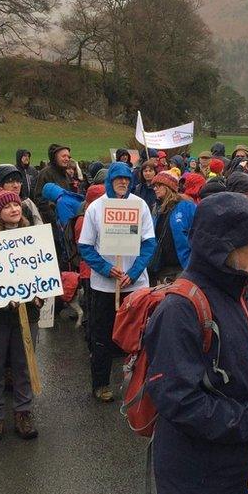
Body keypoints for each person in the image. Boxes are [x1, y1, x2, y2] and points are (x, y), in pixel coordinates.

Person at [144, 192, 248, 494]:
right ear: (221, 247)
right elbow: (179, 402)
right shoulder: (180, 310)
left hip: (237, 475)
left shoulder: (240, 289)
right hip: (202, 487)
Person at [77, 162, 156, 402]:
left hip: (135, 284)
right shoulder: (96, 209)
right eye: (117, 178)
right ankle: (101, 384)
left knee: (140, 335)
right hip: (105, 286)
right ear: (109, 181)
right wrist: (107, 269)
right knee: (102, 337)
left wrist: (134, 271)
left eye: (126, 179)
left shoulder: (139, 205)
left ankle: (141, 382)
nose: (122, 182)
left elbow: (149, 242)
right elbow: (86, 246)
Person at [0, 191, 41, 442]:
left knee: (23, 365)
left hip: (28, 312)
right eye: (8, 207)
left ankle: (23, 413)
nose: (14, 209)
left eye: (17, 204)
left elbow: (45, 268)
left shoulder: (34, 236)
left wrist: (41, 294)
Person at [149, 171, 196, 284]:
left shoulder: (187, 206)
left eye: (158, 185)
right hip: (163, 268)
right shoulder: (157, 209)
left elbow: (198, 234)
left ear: (168, 187)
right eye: (154, 186)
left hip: (184, 267)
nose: (155, 189)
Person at [33, 143, 73, 223]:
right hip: (51, 222)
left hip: (67, 219)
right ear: (54, 157)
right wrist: (54, 217)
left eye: (68, 156)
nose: (67, 159)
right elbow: (39, 198)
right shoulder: (45, 173)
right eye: (63, 156)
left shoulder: (66, 174)